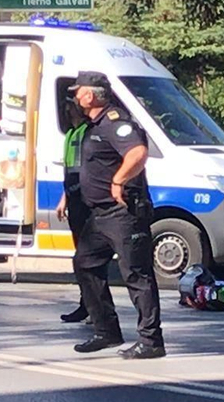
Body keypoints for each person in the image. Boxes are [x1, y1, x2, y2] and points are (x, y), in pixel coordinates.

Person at [69, 71, 166, 359]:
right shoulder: (95, 125)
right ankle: (106, 331)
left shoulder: (115, 123)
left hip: (123, 213)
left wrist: (118, 180)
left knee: (137, 275)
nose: (75, 97)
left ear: (90, 95)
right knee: (85, 263)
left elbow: (137, 153)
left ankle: (151, 341)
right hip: (99, 215)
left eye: (78, 92)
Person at [55, 100, 112, 325]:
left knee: (88, 258)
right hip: (74, 199)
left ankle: (93, 307)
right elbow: (70, 171)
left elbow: (89, 170)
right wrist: (64, 199)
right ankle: (86, 304)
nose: (66, 112)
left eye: (69, 109)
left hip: (86, 200)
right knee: (81, 256)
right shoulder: (71, 134)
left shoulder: (87, 132)